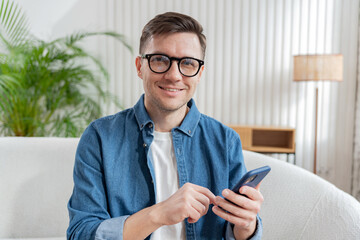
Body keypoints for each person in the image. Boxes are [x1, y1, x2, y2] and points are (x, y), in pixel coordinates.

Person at [67, 12, 264, 240]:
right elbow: (81, 233)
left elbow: (237, 232)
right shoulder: (100, 137)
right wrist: (159, 214)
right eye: (160, 59)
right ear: (140, 66)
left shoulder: (226, 141)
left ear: (199, 73)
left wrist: (246, 226)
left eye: (188, 63)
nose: (173, 75)